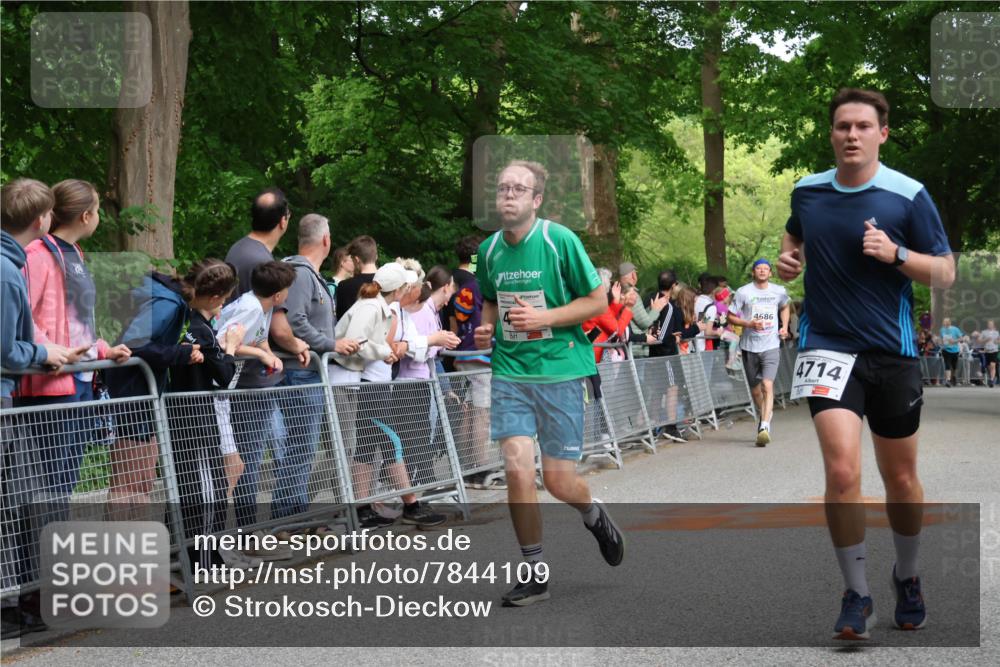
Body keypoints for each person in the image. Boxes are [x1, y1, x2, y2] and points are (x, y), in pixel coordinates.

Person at [778, 88, 955, 639]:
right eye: (841, 126)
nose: (851, 135)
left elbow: (945, 272)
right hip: (827, 347)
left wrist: (897, 254)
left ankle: (907, 575)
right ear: (831, 134)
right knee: (842, 471)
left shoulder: (908, 196)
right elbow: (795, 235)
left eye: (862, 126)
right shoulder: (807, 191)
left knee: (900, 478)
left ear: (882, 133)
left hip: (893, 353)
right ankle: (856, 594)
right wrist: (790, 257)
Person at [473, 160, 625, 607]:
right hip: (511, 372)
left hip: (559, 370)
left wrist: (545, 318)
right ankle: (533, 571)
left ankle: (593, 514)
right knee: (517, 466)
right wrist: (487, 328)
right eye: (502, 188)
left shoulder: (559, 240)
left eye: (519, 189)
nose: (508, 195)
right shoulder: (488, 250)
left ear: (536, 200)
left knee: (559, 482)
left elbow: (597, 300)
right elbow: (489, 301)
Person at [18, 179, 132, 513]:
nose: (99, 217)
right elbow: (22, 315)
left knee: (65, 482)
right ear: (86, 215)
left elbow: (76, 321)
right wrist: (51, 350)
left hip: (81, 379)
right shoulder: (36, 254)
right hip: (52, 383)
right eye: (97, 210)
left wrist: (102, 350)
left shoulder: (76, 254)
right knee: (49, 484)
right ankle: (37, 563)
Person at [1, 178, 81, 639]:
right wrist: (43, 355)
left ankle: (24, 604)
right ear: (40, 220)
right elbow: (5, 349)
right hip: (8, 396)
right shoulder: (11, 269)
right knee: (15, 503)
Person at [331, 262, 448, 529]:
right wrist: (385, 351)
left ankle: (363, 509)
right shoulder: (374, 306)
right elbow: (355, 341)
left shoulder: (379, 306)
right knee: (391, 442)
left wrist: (386, 350)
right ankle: (411, 505)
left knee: (366, 447)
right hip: (367, 384)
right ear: (401, 289)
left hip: (373, 384)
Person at [164, 259, 256, 570]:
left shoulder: (181, 321)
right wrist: (230, 346)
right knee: (206, 487)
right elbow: (225, 375)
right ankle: (202, 557)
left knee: (194, 484)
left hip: (183, 418)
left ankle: (194, 554)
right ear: (217, 298)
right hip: (196, 420)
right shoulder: (200, 330)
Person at [270, 215, 361, 522]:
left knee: (304, 449)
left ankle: (294, 517)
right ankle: (286, 520)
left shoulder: (306, 273)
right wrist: (330, 344)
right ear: (326, 240)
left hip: (307, 371)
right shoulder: (299, 273)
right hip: (299, 370)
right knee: (299, 448)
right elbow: (294, 320)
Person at [213, 261, 297, 557]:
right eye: (287, 290)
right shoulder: (250, 307)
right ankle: (224, 538)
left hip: (231, 389)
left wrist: (269, 354)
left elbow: (258, 335)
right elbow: (224, 340)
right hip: (219, 390)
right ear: (278, 295)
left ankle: (233, 536)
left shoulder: (263, 307)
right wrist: (261, 355)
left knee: (237, 465)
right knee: (233, 466)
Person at [395, 262, 460, 487]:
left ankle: (425, 480)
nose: (450, 299)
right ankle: (420, 481)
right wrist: (438, 343)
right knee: (416, 435)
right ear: (445, 287)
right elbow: (415, 347)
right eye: (451, 292)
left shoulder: (429, 311)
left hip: (420, 378)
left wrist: (439, 343)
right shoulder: (423, 310)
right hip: (412, 379)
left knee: (421, 433)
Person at [443, 234, 494, 488]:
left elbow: (456, 318)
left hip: (463, 353)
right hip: (481, 356)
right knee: (481, 414)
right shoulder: (483, 285)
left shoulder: (462, 289)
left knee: (470, 411)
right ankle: (481, 468)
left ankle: (467, 466)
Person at [725, 258, 791, 446]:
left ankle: (764, 426)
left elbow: (785, 306)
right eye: (758, 269)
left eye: (766, 269)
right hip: (749, 346)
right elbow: (730, 316)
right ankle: (765, 416)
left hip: (771, 344)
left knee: (767, 385)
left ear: (770, 273)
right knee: (756, 391)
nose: (762, 271)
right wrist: (748, 323)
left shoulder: (778, 291)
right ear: (753, 272)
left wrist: (784, 326)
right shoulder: (743, 292)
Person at [618, 261, 666, 351]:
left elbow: (637, 316)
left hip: (625, 348)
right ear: (633, 275)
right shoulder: (632, 295)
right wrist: (656, 309)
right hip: (636, 349)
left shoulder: (618, 292)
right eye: (635, 273)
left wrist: (650, 309)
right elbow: (645, 323)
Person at [335, 235, 378, 321]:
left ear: (357, 260)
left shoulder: (344, 286)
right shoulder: (388, 283)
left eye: (352, 259)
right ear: (376, 256)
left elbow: (341, 322)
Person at [938, 317, 964, 387]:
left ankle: (954, 377)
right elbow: (940, 338)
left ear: (949, 322)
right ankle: (948, 380)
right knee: (947, 364)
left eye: (946, 322)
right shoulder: (942, 330)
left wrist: (954, 341)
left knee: (954, 366)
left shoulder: (955, 329)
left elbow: (961, 338)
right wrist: (940, 343)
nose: (944, 323)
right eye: (944, 322)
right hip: (946, 350)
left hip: (955, 350)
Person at [976, 320, 998, 387]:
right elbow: (979, 341)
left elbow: (998, 340)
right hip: (987, 351)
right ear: (987, 325)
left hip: (994, 350)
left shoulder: (996, 332)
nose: (990, 325)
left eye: (991, 324)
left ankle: (991, 380)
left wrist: (997, 341)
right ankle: (991, 378)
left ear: (993, 325)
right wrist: (985, 340)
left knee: (992, 365)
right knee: (989, 367)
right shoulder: (984, 332)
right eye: (989, 324)